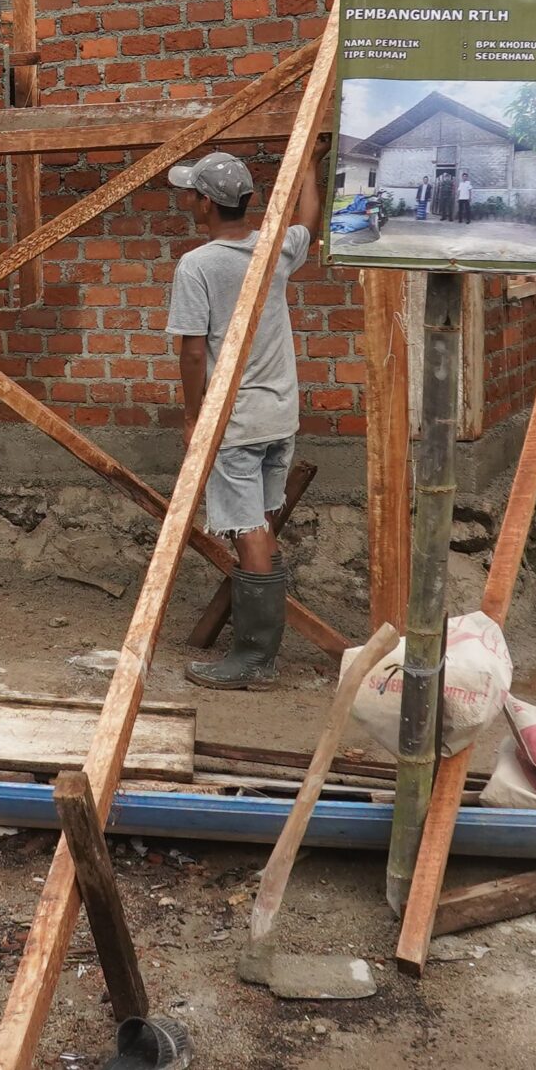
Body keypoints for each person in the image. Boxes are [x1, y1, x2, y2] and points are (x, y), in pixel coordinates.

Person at [166, 144, 324, 691]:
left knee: (248, 529)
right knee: (259, 523)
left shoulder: (198, 265)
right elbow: (308, 222)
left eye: (192, 193)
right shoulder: (273, 250)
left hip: (235, 421)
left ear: (207, 205)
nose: (186, 199)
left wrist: (193, 416)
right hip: (280, 414)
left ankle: (256, 657)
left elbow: (190, 352)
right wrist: (307, 168)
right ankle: (259, 649)